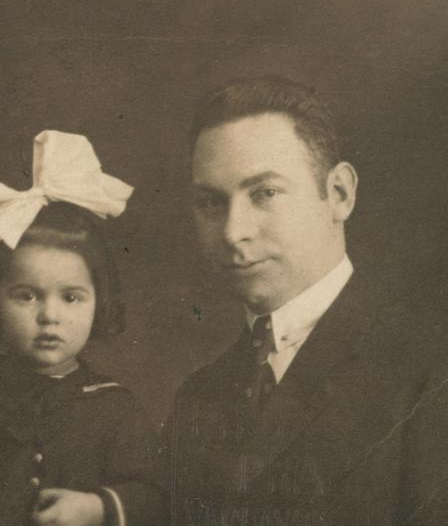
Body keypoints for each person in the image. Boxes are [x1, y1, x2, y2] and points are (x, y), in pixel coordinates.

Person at [166, 75, 446, 524]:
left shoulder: (429, 366)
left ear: (339, 194)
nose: (233, 232)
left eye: (265, 193)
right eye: (212, 202)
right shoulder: (196, 399)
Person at [0, 130, 168, 526]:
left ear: (98, 302)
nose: (50, 315)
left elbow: (156, 499)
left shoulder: (115, 408)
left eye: (71, 297)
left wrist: (97, 507)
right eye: (27, 296)